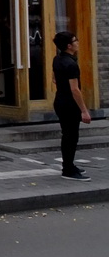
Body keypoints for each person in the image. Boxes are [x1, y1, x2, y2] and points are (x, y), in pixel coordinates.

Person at [52, 31, 92, 181]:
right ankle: (68, 169)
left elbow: (54, 79)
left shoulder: (57, 59)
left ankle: (69, 165)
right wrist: (84, 111)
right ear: (69, 45)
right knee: (71, 137)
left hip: (60, 101)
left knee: (68, 135)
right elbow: (75, 89)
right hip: (69, 104)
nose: (78, 42)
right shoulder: (71, 64)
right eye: (75, 40)